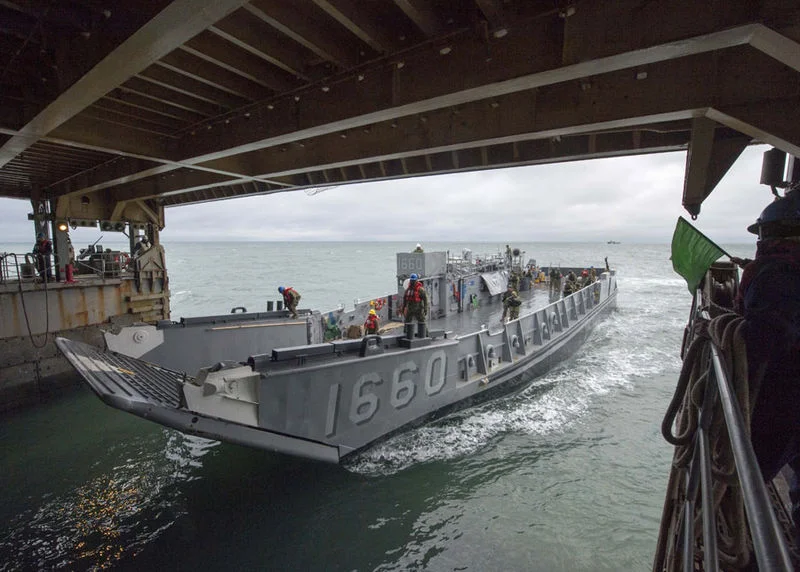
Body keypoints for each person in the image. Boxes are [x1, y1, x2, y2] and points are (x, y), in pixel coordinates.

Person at [733, 188, 800, 524]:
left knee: (748, 475)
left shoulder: (775, 274)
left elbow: (763, 338)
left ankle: (749, 544)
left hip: (785, 392)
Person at [400, 273, 428, 338]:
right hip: (410, 309)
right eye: (411, 280)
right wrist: (403, 308)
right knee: (407, 321)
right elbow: (405, 299)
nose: (412, 281)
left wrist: (425, 308)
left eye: (413, 280)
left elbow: (425, 299)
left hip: (418, 309)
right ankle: (405, 333)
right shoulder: (408, 290)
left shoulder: (420, 289)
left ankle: (426, 334)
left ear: (416, 281)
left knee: (422, 322)